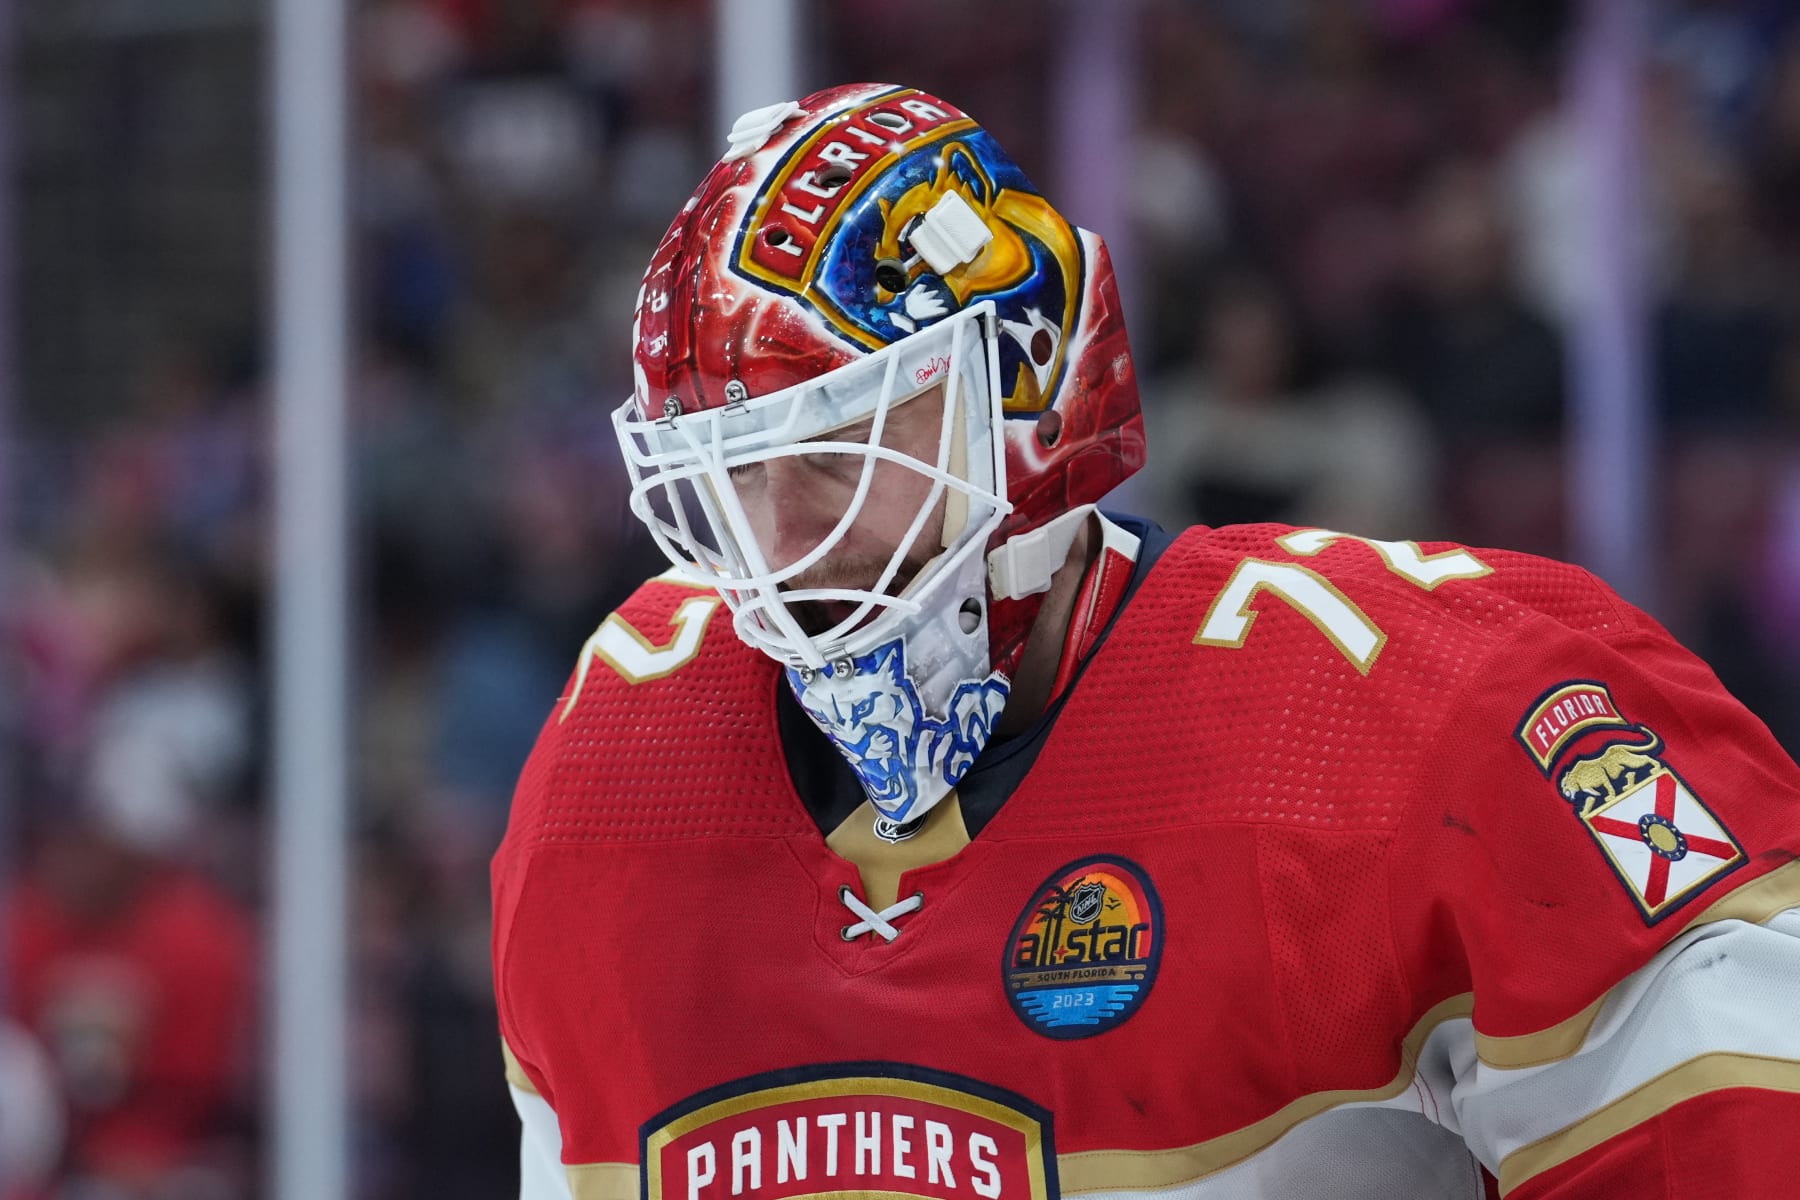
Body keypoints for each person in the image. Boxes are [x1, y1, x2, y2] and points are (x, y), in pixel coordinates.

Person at [492, 83, 1800, 1200]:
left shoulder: (1406, 703)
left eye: (833, 452)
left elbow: (1731, 1138)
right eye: (722, 483)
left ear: (1023, 394)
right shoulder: (616, 763)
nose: (775, 543)